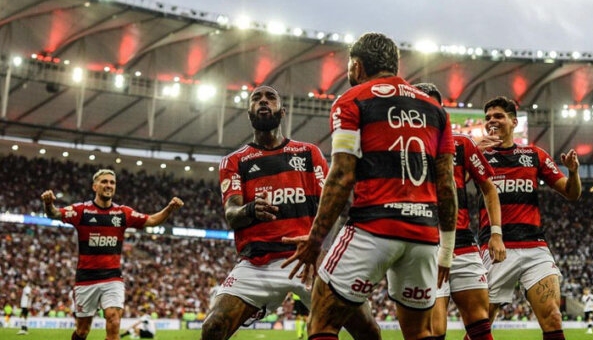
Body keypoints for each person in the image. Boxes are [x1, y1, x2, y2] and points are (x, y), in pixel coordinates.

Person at [283, 32, 459, 340]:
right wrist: (445, 251)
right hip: (424, 237)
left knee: (322, 322)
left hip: (373, 229)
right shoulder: (437, 112)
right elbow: (446, 185)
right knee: (419, 333)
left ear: (356, 66)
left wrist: (315, 239)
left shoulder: (352, 101)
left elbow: (342, 175)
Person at [201, 85, 380, 340]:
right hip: (257, 264)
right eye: (256, 99)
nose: (263, 101)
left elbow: (331, 207)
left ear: (282, 111)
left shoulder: (309, 154)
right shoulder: (234, 161)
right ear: (249, 113)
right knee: (213, 327)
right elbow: (232, 214)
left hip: (307, 258)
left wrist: (321, 250)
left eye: (270, 97)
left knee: (368, 329)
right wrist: (250, 210)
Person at [477, 96, 581, 340]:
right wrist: (473, 152)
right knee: (480, 324)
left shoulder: (534, 155)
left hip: (535, 248)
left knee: (554, 317)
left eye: (498, 116)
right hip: (496, 249)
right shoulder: (478, 155)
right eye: (488, 117)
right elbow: (451, 183)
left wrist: (573, 173)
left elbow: (571, 193)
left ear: (514, 122)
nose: (492, 120)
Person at [41, 169, 184, 340]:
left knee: (114, 320)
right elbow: (55, 214)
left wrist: (169, 209)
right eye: (104, 182)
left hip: (112, 278)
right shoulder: (81, 211)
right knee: (82, 330)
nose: (109, 185)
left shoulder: (123, 213)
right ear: (95, 186)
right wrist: (48, 204)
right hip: (86, 279)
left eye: (112, 182)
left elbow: (151, 220)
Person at [415, 83, 506, 340]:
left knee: (480, 325)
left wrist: (496, 233)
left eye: (433, 107)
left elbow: (489, 189)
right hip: (426, 245)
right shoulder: (404, 147)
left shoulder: (462, 144)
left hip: (463, 243)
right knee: (436, 329)